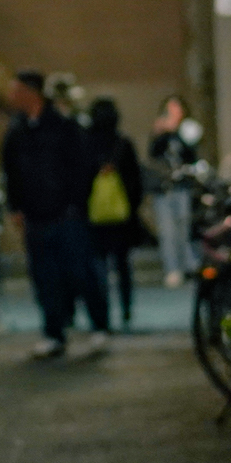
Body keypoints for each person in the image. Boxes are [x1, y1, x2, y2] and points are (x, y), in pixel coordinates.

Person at [0, 70, 109, 359]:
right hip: (36, 216)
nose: (13, 96)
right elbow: (10, 172)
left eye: (17, 90)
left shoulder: (64, 127)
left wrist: (75, 203)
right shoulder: (17, 130)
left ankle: (99, 326)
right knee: (45, 277)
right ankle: (53, 333)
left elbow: (82, 167)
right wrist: (16, 207)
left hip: (67, 215)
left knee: (81, 272)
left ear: (32, 92)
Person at [83, 99, 146, 329]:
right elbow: (136, 181)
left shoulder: (86, 143)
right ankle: (126, 309)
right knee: (122, 266)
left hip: (94, 216)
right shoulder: (122, 143)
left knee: (97, 267)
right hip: (121, 217)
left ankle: (101, 315)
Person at [149, 95, 199, 288]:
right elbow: (153, 153)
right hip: (164, 187)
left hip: (182, 185)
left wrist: (175, 132)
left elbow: (190, 152)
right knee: (167, 230)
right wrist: (161, 133)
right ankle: (172, 268)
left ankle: (188, 264)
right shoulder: (161, 129)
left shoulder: (189, 128)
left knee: (183, 226)